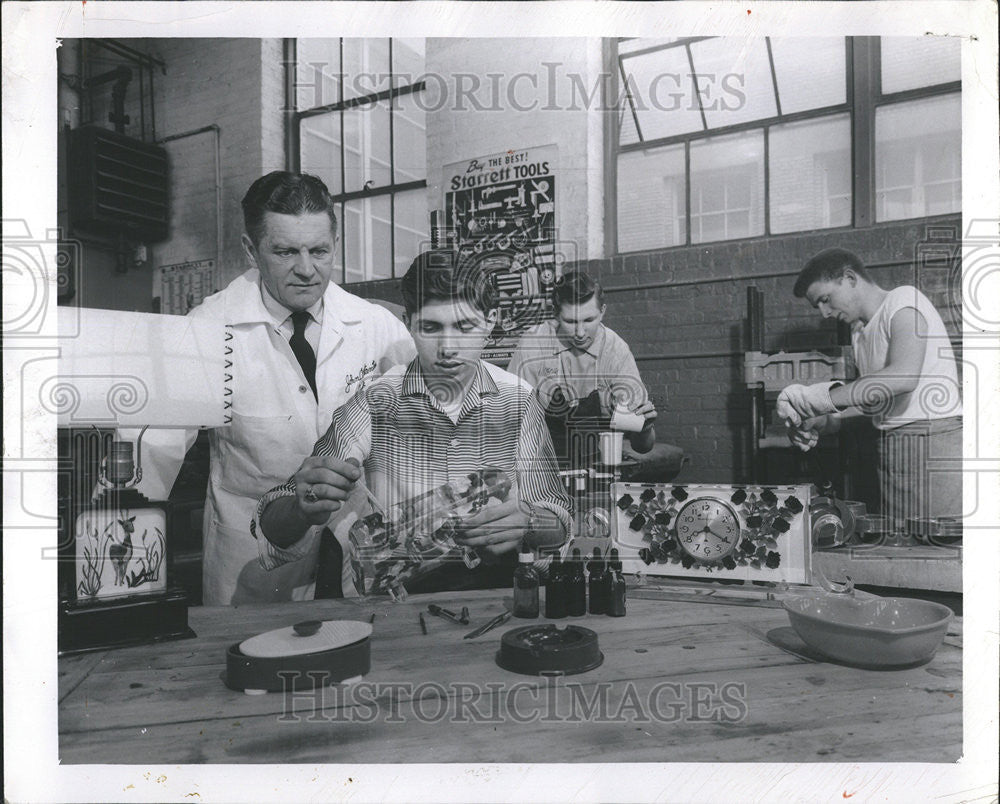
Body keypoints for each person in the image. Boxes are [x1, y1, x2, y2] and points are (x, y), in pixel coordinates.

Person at [119, 171, 415, 605]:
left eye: (319, 250)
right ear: (250, 250)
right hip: (255, 565)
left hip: (358, 556)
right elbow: (146, 458)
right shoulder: (206, 330)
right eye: (285, 252)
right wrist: (122, 576)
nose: (306, 269)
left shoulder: (375, 325)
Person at [254, 249, 571, 594]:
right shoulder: (375, 402)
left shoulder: (520, 401)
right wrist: (302, 508)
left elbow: (559, 522)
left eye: (465, 326)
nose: (448, 347)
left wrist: (531, 522)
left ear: (491, 319)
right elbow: (277, 521)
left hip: (496, 596)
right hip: (398, 603)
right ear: (408, 323)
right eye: (431, 327)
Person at [777, 247, 962, 529]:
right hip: (893, 452)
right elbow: (880, 407)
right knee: (903, 552)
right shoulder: (860, 334)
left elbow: (903, 377)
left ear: (850, 278)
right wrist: (824, 422)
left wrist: (822, 398)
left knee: (942, 555)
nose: (825, 313)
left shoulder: (903, 300)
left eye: (826, 299)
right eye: (818, 306)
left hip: (932, 447)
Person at [507, 270, 681, 479]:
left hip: (593, 467)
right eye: (570, 321)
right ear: (555, 314)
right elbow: (507, 427)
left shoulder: (615, 351)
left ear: (603, 311)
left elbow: (643, 447)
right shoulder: (533, 345)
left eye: (589, 320)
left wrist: (645, 428)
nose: (580, 332)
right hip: (537, 465)